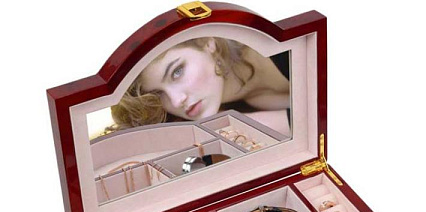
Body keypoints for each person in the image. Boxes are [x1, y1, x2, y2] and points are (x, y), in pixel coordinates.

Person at [110, 37, 291, 136]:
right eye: (158, 93)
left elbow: (307, 123)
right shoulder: (223, 106)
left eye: (177, 72)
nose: (176, 100)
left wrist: (231, 125)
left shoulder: (282, 47)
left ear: (208, 43)